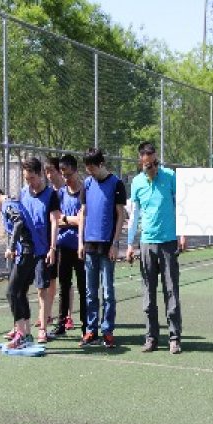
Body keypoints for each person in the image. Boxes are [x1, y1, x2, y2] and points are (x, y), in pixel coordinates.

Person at [126, 141, 186, 354]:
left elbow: (181, 205)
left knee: (171, 291)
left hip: (168, 243)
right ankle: (151, 337)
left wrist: (183, 233)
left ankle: (174, 337)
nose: (152, 168)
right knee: (148, 293)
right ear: (141, 163)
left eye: (154, 163)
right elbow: (134, 215)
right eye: (147, 165)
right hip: (146, 243)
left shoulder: (170, 177)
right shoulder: (137, 183)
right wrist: (130, 244)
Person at [78, 148, 126, 348]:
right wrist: (80, 242)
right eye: (87, 168)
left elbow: (121, 215)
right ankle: (91, 331)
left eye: (92, 168)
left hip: (107, 246)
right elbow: (83, 213)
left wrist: (115, 243)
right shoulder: (87, 184)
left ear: (101, 164)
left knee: (108, 292)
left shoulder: (116, 184)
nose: (89, 172)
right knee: (90, 292)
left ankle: (107, 331)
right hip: (89, 245)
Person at [0, 182, 36, 348]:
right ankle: (26, 334)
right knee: (20, 293)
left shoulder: (8, 205)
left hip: (25, 252)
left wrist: (11, 247)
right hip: (29, 251)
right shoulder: (13, 201)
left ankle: (20, 334)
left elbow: (18, 223)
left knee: (11, 292)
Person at [20, 157, 61, 343]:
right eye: (26, 179)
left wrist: (52, 248)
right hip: (25, 250)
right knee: (19, 289)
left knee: (41, 289)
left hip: (42, 250)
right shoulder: (23, 193)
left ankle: (43, 328)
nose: (30, 182)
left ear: (40, 175)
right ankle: (20, 328)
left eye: (32, 178)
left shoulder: (51, 195)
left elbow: (54, 222)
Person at [51, 154, 86, 337]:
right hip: (63, 246)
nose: (66, 178)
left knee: (84, 287)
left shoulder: (85, 192)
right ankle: (61, 324)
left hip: (81, 248)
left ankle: (86, 326)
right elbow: (56, 219)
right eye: (63, 175)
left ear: (76, 171)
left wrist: (68, 220)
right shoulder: (60, 194)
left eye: (68, 174)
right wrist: (70, 220)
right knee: (64, 287)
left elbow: (84, 220)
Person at [41, 157, 65, 328]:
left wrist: (63, 220)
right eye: (46, 171)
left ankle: (67, 315)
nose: (49, 175)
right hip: (51, 241)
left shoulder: (66, 190)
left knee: (65, 281)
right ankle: (47, 314)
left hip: (66, 241)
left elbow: (61, 217)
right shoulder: (48, 193)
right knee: (48, 280)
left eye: (51, 171)